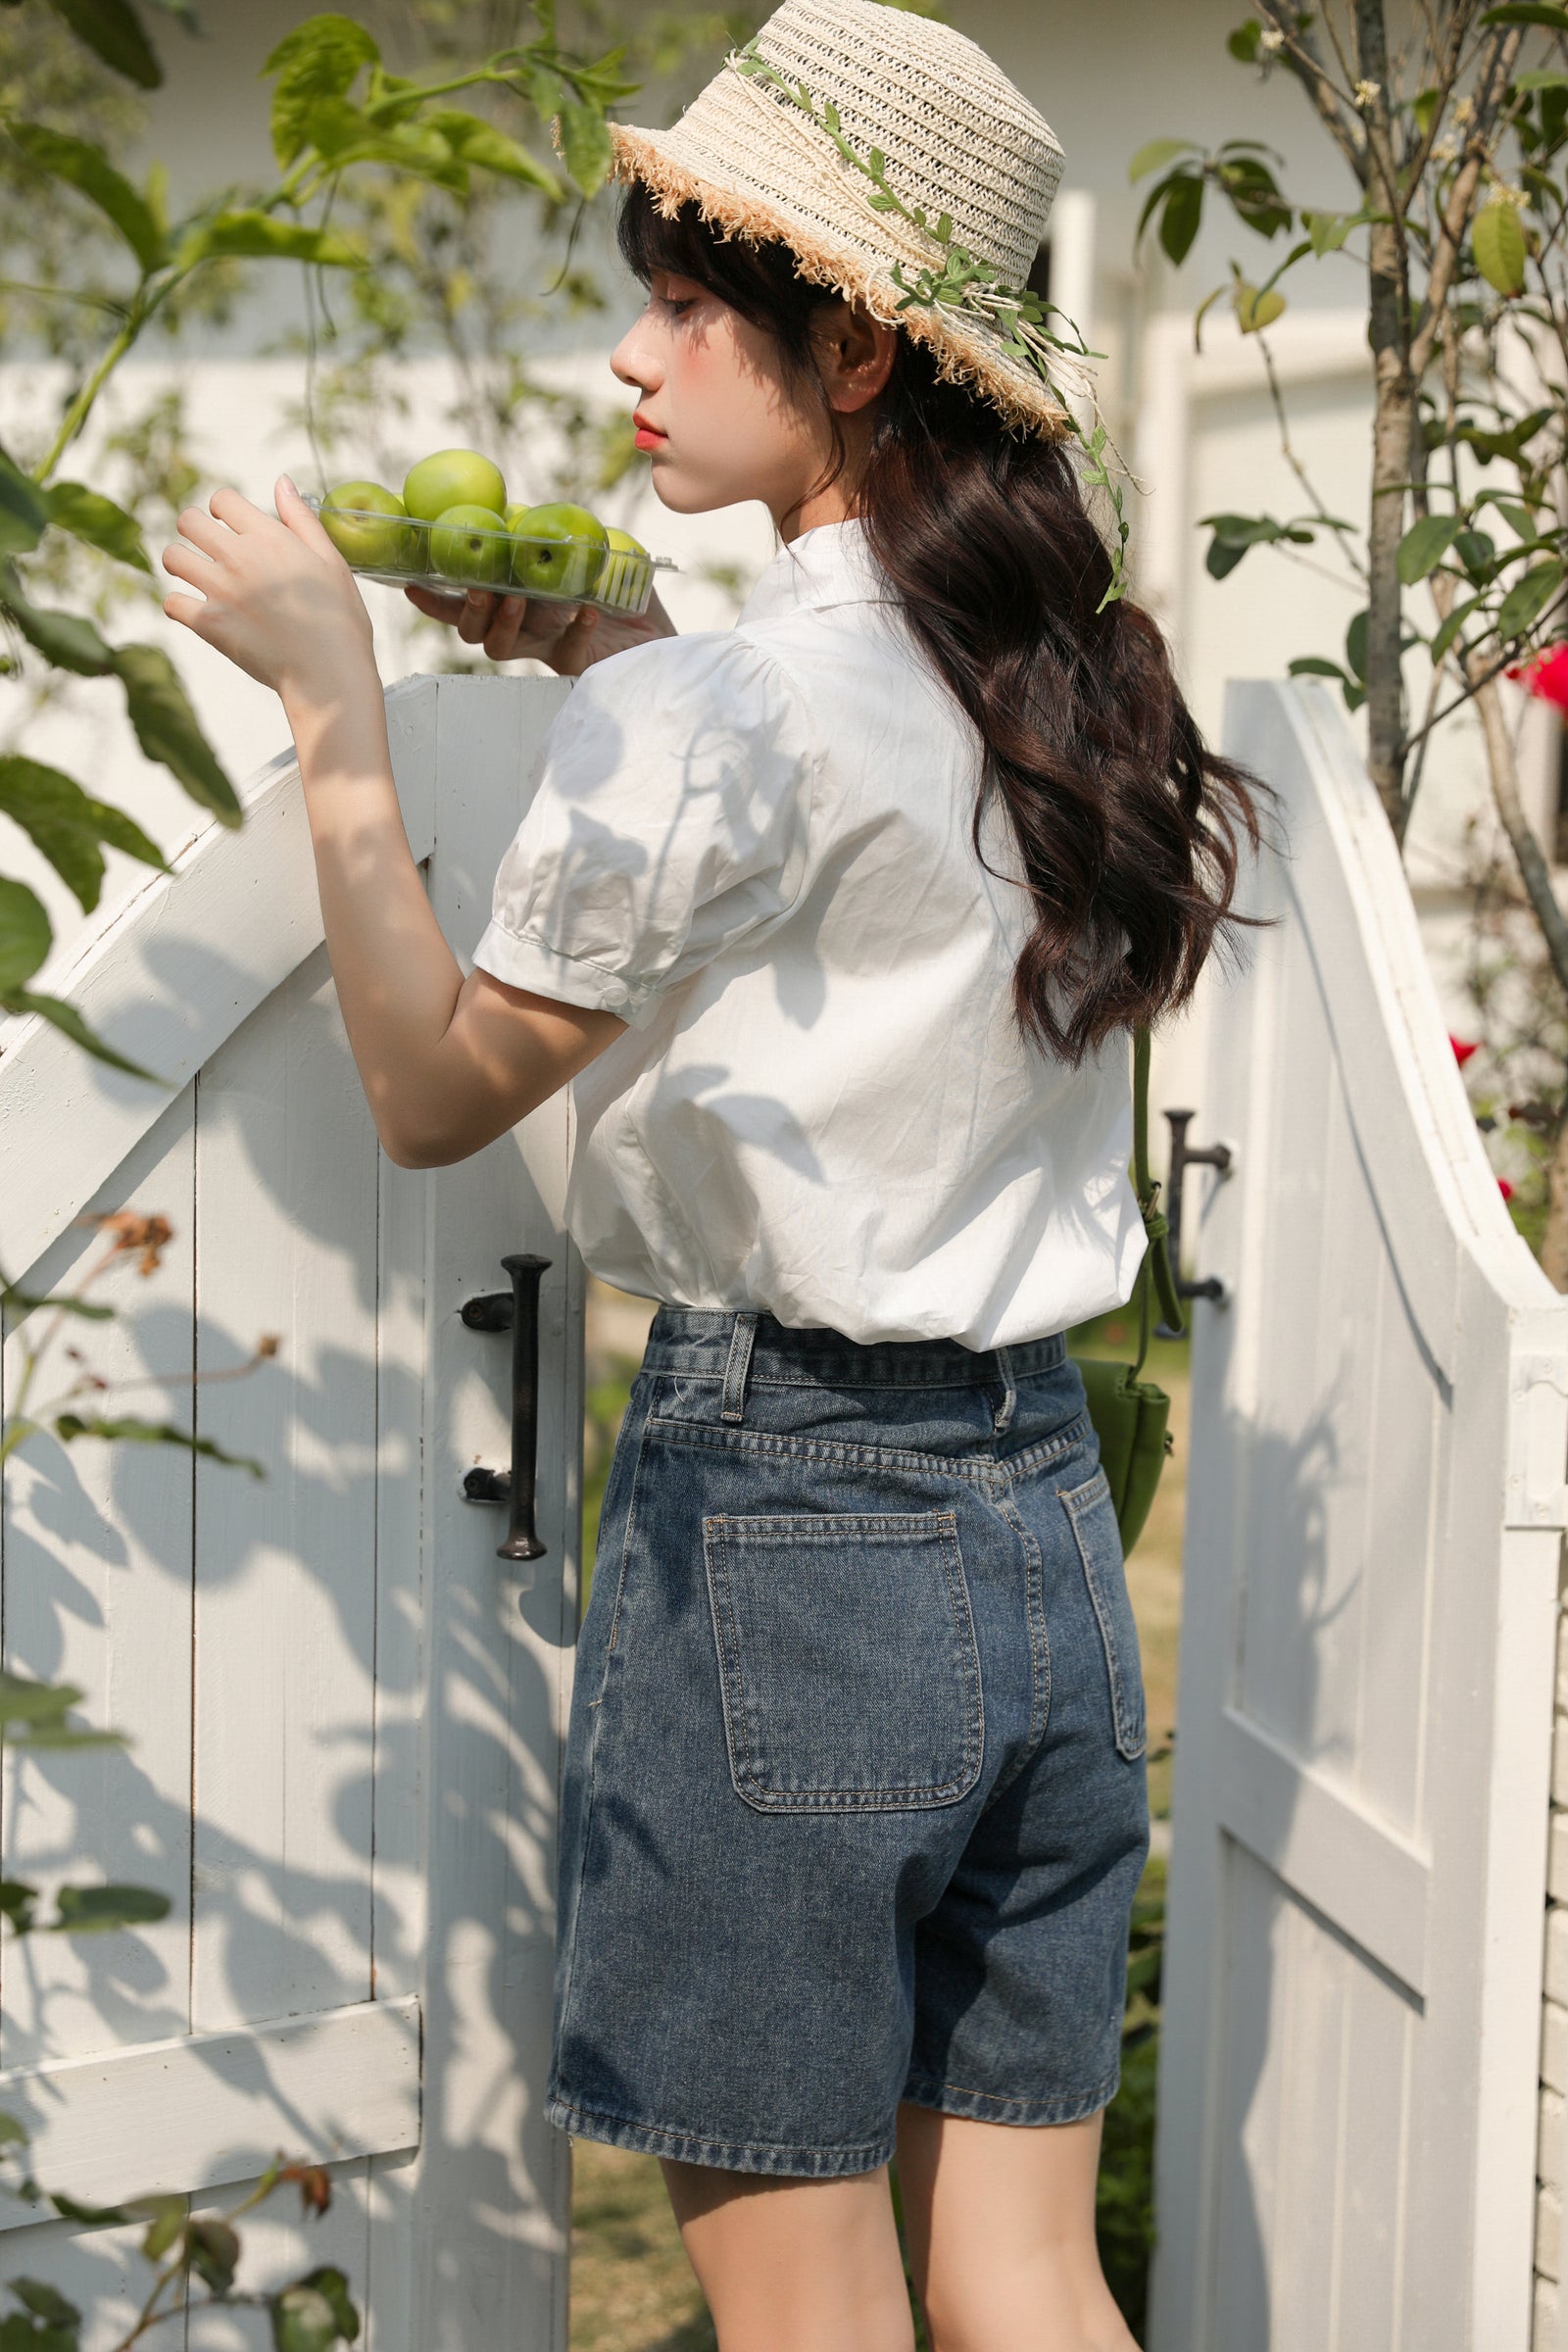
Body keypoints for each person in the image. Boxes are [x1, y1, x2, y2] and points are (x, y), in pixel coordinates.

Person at [161, 4, 1271, 2344]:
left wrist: (334, 706)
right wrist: (606, 647)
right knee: (1025, 2276)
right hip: (1043, 1526)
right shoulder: (1070, 681)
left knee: (797, 2310)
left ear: (853, 348)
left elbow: (439, 1087)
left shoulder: (714, 717)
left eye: (689, 302)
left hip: (785, 1536)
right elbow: (836, 826)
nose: (627, 357)